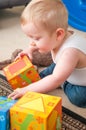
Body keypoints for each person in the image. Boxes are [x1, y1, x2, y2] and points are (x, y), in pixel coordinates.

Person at [8, 0, 86, 108]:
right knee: (49, 71)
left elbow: (55, 79)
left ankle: (63, 83)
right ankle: (52, 80)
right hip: (69, 69)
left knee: (78, 97)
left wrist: (27, 90)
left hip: (82, 84)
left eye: (36, 38)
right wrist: (29, 50)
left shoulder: (70, 52)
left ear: (58, 34)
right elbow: (36, 44)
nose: (32, 42)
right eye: (30, 37)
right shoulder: (59, 38)